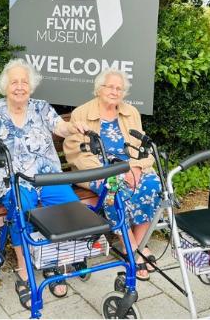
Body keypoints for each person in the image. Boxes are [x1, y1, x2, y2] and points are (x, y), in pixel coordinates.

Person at [0, 59, 85, 309]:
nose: (19, 86)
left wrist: (73, 127)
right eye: (14, 82)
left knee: (69, 205)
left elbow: (61, 127)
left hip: (46, 176)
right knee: (20, 210)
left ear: (31, 86)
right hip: (12, 181)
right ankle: (24, 271)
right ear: (6, 86)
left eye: (24, 82)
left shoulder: (41, 107)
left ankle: (52, 261)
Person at [63, 69, 161, 281]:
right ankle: (131, 248)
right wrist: (111, 171)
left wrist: (135, 167)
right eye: (110, 87)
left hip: (130, 167)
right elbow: (75, 152)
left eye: (119, 88)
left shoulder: (130, 113)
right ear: (99, 89)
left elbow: (142, 147)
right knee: (114, 188)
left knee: (153, 183)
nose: (114, 91)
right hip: (98, 170)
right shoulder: (82, 113)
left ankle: (139, 244)